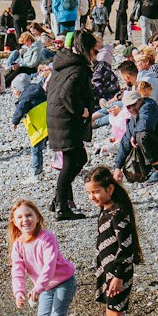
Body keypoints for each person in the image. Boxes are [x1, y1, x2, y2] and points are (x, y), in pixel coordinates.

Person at [9, 199, 77, 316]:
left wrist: (38, 288)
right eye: (20, 217)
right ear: (15, 222)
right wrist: (19, 292)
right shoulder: (18, 245)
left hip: (64, 281)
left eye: (29, 215)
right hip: (44, 287)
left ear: (37, 217)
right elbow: (17, 270)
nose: (25, 219)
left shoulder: (47, 238)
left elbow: (50, 266)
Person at [85, 165, 143, 316]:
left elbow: (126, 247)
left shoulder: (119, 213)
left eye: (96, 192)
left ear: (109, 189)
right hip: (107, 270)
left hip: (119, 272)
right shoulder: (104, 210)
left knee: (115, 313)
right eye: (90, 193)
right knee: (111, 313)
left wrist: (118, 276)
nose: (92, 197)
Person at [45, 29, 98, 220]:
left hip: (57, 117)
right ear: (86, 50)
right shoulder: (78, 69)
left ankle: (58, 199)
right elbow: (66, 94)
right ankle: (61, 206)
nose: (96, 55)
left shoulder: (63, 63)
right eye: (94, 51)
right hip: (65, 120)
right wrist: (81, 110)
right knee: (73, 159)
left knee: (76, 158)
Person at [11, 65, 48, 179]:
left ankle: (35, 173)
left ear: (19, 89)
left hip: (39, 127)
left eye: (14, 89)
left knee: (36, 149)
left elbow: (20, 109)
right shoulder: (37, 89)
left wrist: (15, 121)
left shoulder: (25, 98)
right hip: (50, 122)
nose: (13, 92)